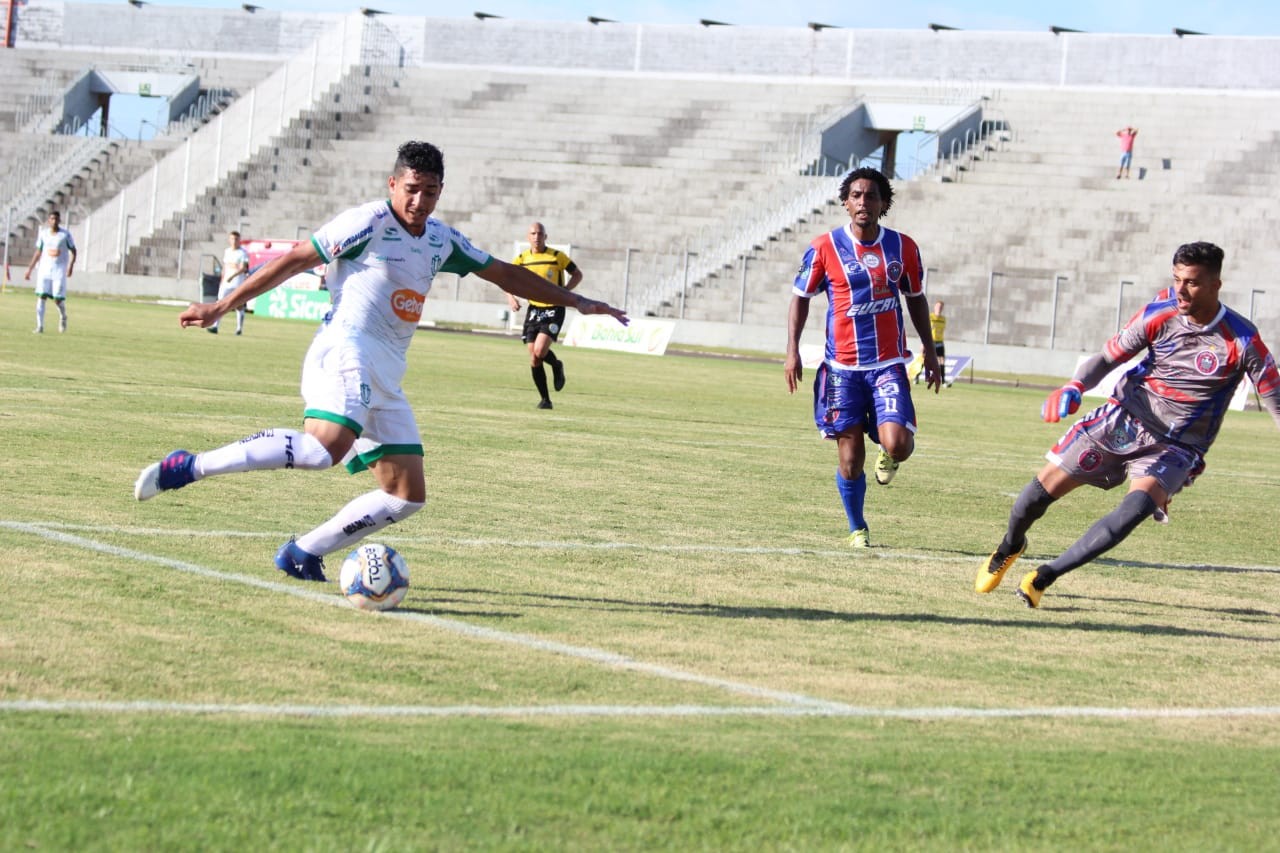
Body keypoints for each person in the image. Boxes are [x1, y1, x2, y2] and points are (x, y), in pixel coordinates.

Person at [133, 140, 628, 582]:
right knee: (322, 449)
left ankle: (303, 552)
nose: (419, 201)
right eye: (411, 188)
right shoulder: (366, 222)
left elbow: (504, 274)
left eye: (430, 191)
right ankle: (189, 467)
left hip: (387, 369)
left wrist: (575, 302)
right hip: (346, 349)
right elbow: (295, 260)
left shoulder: (441, 240)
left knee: (405, 495)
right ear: (393, 184)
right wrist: (222, 304)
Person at [976, 241, 1280, 608]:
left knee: (1132, 512)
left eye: (1193, 283)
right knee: (1032, 499)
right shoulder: (1160, 313)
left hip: (1177, 446)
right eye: (1177, 279)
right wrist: (1075, 385)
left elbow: (1274, 401)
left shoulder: (1243, 340)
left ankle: (1043, 577)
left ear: (1217, 285)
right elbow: (1107, 358)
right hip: (1125, 418)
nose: (1181, 290)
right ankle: (1011, 544)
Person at [784, 166, 941, 549]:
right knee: (850, 460)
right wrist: (792, 352)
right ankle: (857, 528)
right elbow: (800, 299)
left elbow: (916, 298)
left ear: (884, 203)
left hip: (887, 364)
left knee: (899, 443)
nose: (862, 202)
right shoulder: (824, 247)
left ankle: (889, 451)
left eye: (871, 196)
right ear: (845, 202)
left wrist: (931, 351)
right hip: (841, 371)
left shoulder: (903, 247)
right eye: (855, 195)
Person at [507, 222, 582, 409]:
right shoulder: (522, 258)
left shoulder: (557, 256)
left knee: (540, 351)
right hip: (534, 310)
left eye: (540, 233)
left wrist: (565, 292)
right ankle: (545, 400)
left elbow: (577, 274)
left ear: (545, 236)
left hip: (554, 309)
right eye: (533, 233)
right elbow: (506, 279)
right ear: (528, 237)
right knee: (534, 357)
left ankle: (556, 365)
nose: (536, 236)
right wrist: (511, 297)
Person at [24, 210, 77, 334]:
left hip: (59, 270)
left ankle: (63, 316)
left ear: (59, 220)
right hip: (44, 269)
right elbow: (38, 252)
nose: (54, 221)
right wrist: (29, 270)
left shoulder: (65, 235)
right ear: (49, 220)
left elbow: (74, 250)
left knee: (57, 299)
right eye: (52, 219)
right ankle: (40, 326)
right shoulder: (43, 234)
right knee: (41, 296)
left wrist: (71, 266)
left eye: (56, 219)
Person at [210, 231, 250, 335]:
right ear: (229, 240)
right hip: (226, 283)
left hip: (237, 282)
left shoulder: (243, 253)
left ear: (239, 240)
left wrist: (232, 276)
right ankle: (215, 326)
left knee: (239, 305)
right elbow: (225, 267)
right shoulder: (227, 251)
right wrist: (222, 278)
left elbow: (243, 268)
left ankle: (239, 329)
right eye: (232, 239)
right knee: (220, 303)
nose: (234, 241)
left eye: (236, 239)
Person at [908, 299, 948, 387]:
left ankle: (943, 381)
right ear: (935, 307)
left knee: (941, 361)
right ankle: (916, 377)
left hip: (939, 342)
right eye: (938, 306)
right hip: (929, 342)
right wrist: (923, 341)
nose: (939, 308)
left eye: (941, 307)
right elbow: (925, 329)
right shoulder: (930, 317)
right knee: (923, 359)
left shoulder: (943, 319)